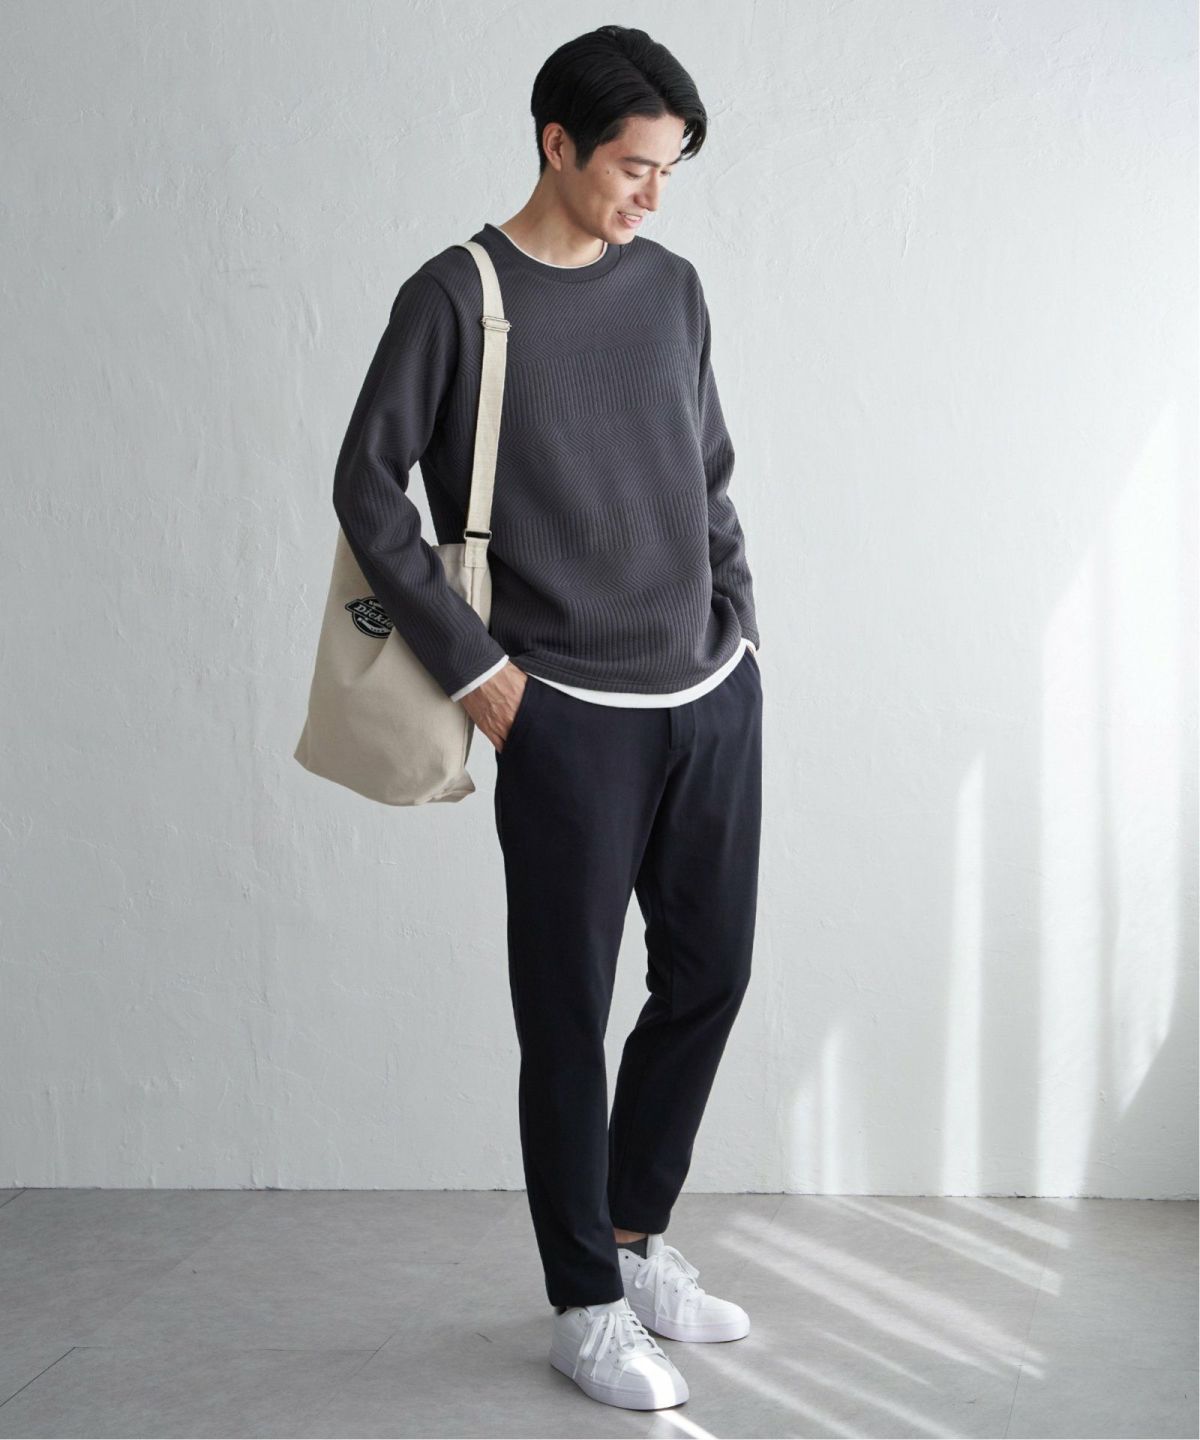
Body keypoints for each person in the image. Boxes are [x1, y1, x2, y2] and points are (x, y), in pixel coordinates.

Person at [332, 24, 762, 1413]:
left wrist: (740, 626)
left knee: (709, 974)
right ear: (556, 142)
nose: (652, 194)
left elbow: (706, 469)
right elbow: (365, 484)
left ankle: (633, 1241)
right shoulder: (456, 296)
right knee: (566, 1013)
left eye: (671, 170)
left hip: (708, 691)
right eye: (634, 166)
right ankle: (584, 1303)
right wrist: (479, 672)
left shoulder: (673, 288)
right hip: (565, 709)